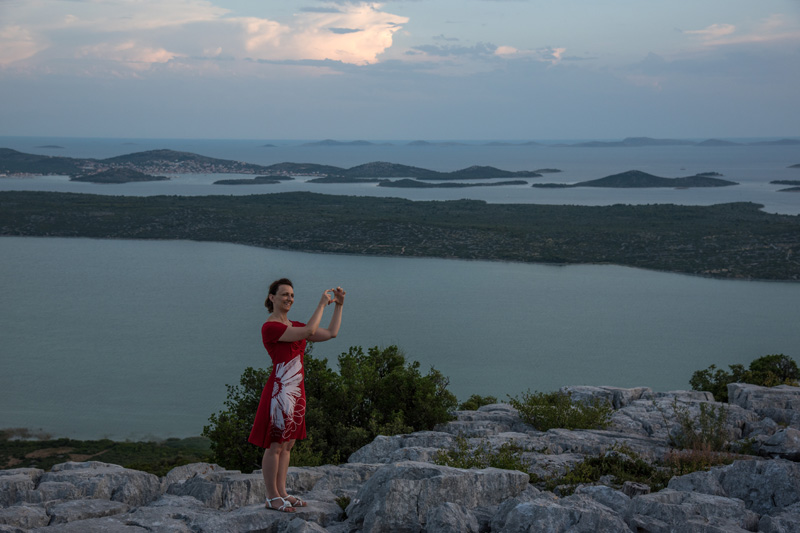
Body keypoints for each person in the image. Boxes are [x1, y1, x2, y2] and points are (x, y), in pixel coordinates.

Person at [248, 278, 345, 513]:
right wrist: (322, 304)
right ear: (272, 298)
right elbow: (311, 330)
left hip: (296, 392)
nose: (289, 298)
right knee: (274, 445)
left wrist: (339, 305)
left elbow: (331, 333)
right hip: (279, 392)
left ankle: (282, 492)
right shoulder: (271, 327)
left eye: (292, 295)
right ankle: (272, 497)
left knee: (288, 445)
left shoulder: (294, 326)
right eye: (284, 294)